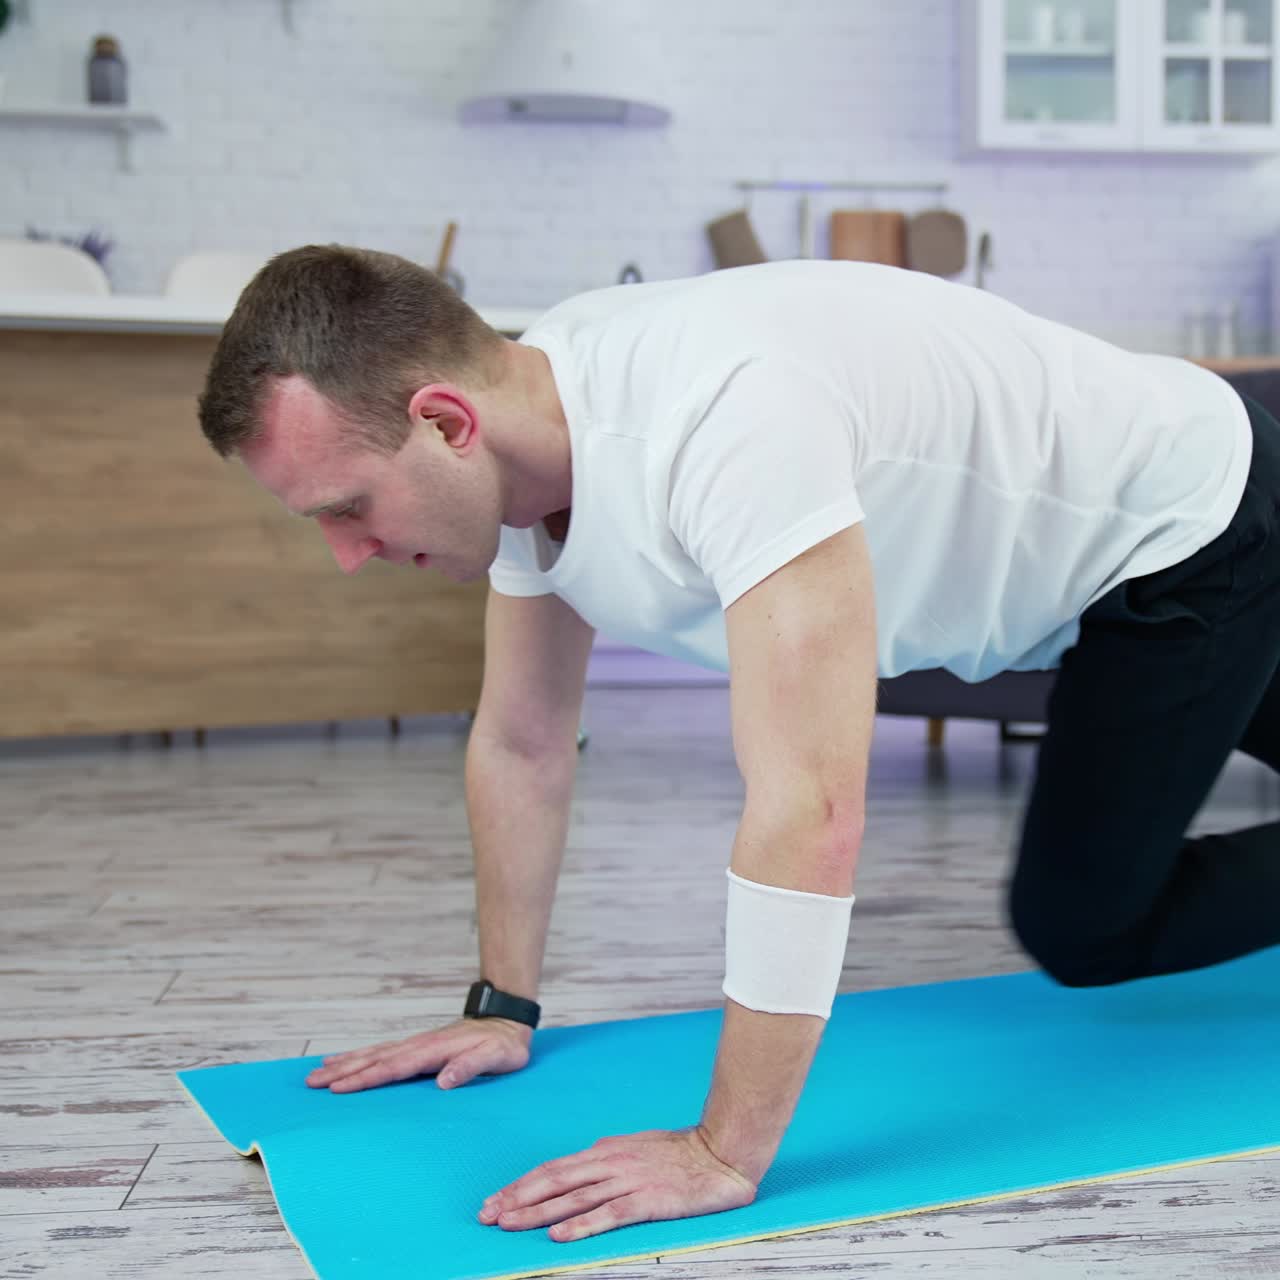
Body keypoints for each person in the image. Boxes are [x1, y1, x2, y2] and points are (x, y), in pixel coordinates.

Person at [197, 244, 1280, 1246]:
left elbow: (808, 807)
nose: (347, 554)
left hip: (1187, 527)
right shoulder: (532, 437)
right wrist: (501, 1005)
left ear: (446, 422)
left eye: (347, 507)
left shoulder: (722, 416)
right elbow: (523, 738)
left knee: (1084, 924)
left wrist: (721, 1149)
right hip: (1109, 561)